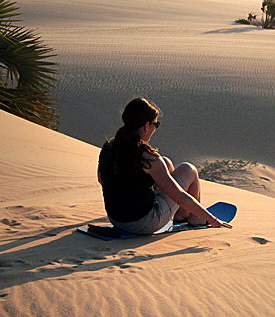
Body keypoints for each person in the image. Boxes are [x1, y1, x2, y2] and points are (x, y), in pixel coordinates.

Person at [98, 97, 232, 234]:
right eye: (155, 124)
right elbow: (181, 197)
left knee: (166, 163)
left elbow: (101, 179)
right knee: (188, 169)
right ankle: (196, 218)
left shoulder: (109, 146)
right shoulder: (148, 158)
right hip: (144, 223)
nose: (155, 128)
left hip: (115, 219)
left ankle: (181, 214)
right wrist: (213, 219)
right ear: (145, 126)